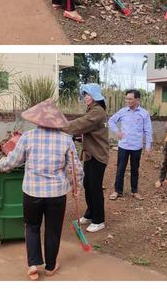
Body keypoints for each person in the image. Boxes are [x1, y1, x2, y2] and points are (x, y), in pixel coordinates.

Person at [0, 99, 83, 280]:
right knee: (53, 229)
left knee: (32, 227)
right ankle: (51, 267)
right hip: (57, 194)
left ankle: (33, 266)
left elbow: (13, 161)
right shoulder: (66, 140)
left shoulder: (27, 137)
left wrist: (1, 164)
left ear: (37, 120)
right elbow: (74, 169)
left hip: (32, 192)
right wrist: (77, 187)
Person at [63, 83, 109, 233]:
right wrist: (78, 136)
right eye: (84, 95)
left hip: (97, 155)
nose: (85, 97)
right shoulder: (92, 110)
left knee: (95, 187)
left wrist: (61, 125)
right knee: (88, 185)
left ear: (95, 96)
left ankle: (99, 219)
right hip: (90, 154)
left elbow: (82, 124)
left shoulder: (97, 111)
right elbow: (87, 130)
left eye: (87, 94)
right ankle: (90, 214)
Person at [108, 89, 152, 201]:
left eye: (130, 99)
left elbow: (148, 130)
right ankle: (117, 190)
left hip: (136, 146)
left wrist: (148, 146)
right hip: (123, 145)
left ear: (137, 99)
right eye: (127, 98)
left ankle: (134, 191)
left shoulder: (144, 113)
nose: (128, 101)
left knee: (134, 169)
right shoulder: (122, 111)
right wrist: (117, 131)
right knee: (120, 169)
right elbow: (111, 121)